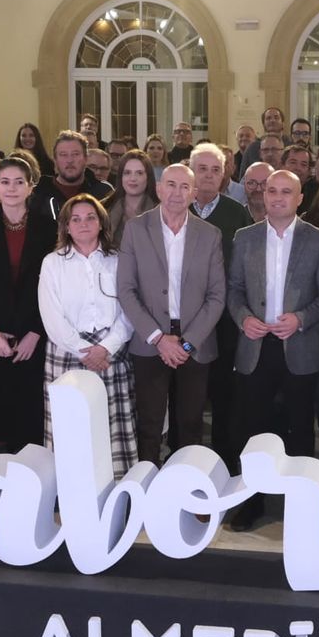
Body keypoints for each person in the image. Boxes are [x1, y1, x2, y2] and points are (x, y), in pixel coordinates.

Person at [226, 169, 319, 531]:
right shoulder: (245, 237)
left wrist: (301, 319)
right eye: (272, 190)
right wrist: (243, 318)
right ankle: (252, 501)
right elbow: (233, 289)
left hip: (299, 346)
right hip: (255, 346)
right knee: (252, 428)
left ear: (300, 198)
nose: (277, 197)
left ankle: (300, 503)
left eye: (286, 191)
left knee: (300, 427)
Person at [117, 163, 225, 467]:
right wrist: (158, 338)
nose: (177, 193)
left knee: (190, 423)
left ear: (194, 193)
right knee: (149, 423)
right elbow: (126, 290)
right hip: (149, 340)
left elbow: (217, 295)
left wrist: (187, 343)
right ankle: (146, 485)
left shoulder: (210, 234)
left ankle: (186, 485)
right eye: (171, 185)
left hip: (196, 341)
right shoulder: (136, 229)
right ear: (159, 189)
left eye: (185, 187)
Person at [0, 153, 58, 453]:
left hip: (35, 333)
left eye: (19, 182)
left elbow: (56, 288)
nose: (12, 188)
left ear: (31, 187)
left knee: (30, 420)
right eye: (5, 182)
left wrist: (36, 332)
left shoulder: (49, 228)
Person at [37, 194, 137, 478]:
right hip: (68, 352)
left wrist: (106, 347)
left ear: (101, 223)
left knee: (111, 423)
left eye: (90, 217)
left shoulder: (118, 260)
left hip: (110, 353)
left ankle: (116, 487)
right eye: (76, 219)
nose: (84, 224)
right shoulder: (52, 263)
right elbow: (51, 316)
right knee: (70, 426)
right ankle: (71, 487)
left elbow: (129, 310)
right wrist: (84, 351)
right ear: (66, 226)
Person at [188, 143, 253, 467]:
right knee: (186, 394)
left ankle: (223, 461)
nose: (209, 175)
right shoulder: (176, 208)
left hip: (225, 318)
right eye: (202, 169)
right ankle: (184, 459)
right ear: (190, 171)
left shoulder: (236, 212)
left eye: (216, 169)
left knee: (223, 391)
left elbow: (243, 266)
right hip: (184, 318)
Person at [32, 130, 111, 224]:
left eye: (75, 154)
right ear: (55, 160)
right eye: (63, 155)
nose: (69, 160)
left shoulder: (104, 192)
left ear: (86, 158)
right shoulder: (37, 194)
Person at [102, 149, 159, 236]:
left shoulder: (162, 212)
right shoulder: (102, 208)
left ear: (148, 177)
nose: (133, 178)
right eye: (127, 173)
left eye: (139, 173)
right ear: (121, 177)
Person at [237, 106, 286, 176]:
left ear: (283, 123)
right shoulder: (252, 148)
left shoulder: (290, 145)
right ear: (263, 124)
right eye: (268, 118)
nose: (272, 120)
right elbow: (244, 176)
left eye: (276, 117)